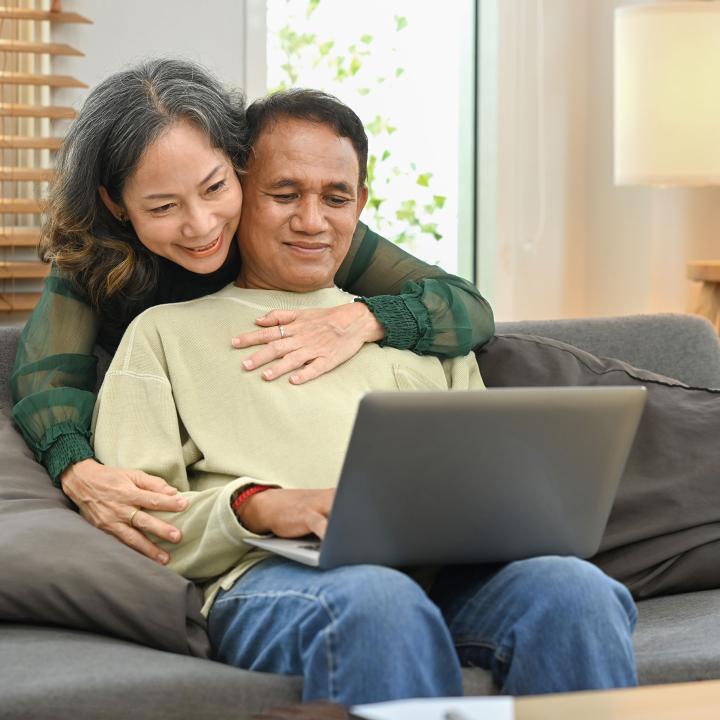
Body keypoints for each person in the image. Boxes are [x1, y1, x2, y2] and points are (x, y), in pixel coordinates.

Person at [91, 88, 638, 705]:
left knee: (576, 589)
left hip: (449, 574)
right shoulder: (164, 335)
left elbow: (487, 475)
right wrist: (259, 506)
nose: (312, 221)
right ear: (240, 194)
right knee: (378, 599)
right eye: (285, 194)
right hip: (280, 580)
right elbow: (139, 521)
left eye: (335, 197)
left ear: (362, 204)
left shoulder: (424, 331)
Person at [8, 58, 494, 566]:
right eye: (162, 207)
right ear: (117, 205)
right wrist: (76, 468)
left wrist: (361, 319)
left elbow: (464, 304)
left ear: (240, 165)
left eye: (216, 188)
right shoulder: (96, 254)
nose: (201, 226)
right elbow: (45, 375)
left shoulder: (305, 230)